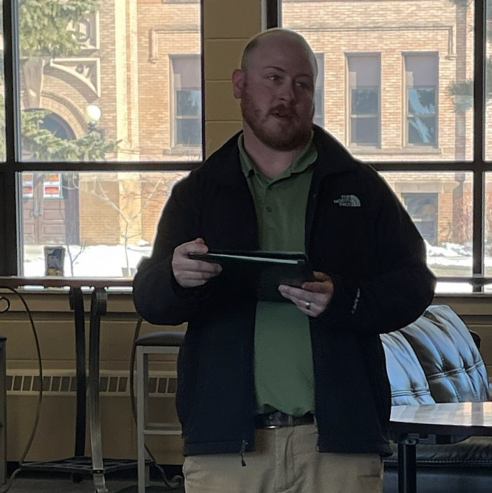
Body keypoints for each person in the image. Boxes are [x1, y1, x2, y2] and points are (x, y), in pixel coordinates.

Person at [133, 28, 436, 493]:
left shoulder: (357, 186)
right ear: (239, 84)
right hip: (227, 452)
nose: (286, 95)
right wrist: (175, 278)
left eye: (301, 84)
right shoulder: (198, 193)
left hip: (338, 447)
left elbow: (415, 282)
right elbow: (151, 299)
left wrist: (346, 298)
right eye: (273, 78)